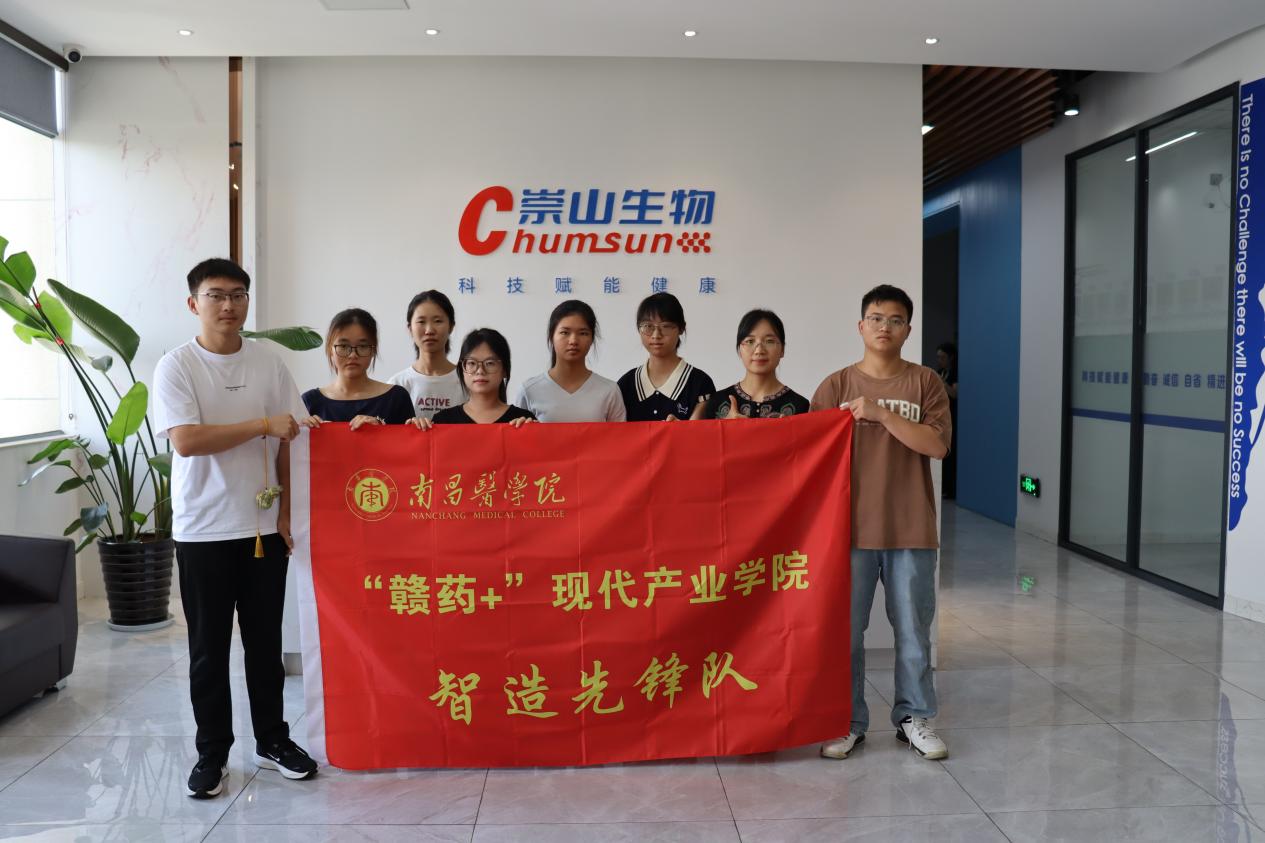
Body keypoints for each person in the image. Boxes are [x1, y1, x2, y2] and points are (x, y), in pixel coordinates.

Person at [152, 258, 318, 799]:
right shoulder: (177, 366)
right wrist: (261, 425)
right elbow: (186, 441)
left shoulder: (269, 362)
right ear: (193, 303)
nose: (229, 305)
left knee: (265, 645)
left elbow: (290, 438)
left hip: (262, 528)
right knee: (208, 649)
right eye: (216, 295)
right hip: (203, 529)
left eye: (238, 295)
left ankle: (273, 740)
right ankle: (212, 753)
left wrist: (287, 513)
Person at [811, 284, 951, 762]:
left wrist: (880, 414)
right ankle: (847, 721)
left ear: (908, 329)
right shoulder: (835, 387)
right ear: (860, 326)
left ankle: (914, 718)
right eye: (875, 318)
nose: (884, 327)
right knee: (845, 635)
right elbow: (806, 456)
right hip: (847, 532)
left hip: (910, 527)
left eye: (895, 320)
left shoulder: (925, 383)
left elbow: (937, 446)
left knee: (913, 631)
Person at [302, 308, 415, 428]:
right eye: (343, 346)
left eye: (362, 346)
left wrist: (381, 429)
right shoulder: (310, 402)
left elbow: (410, 439)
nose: (352, 355)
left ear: (373, 350)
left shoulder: (396, 398)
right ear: (330, 350)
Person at [515, 299, 625, 423]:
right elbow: (517, 433)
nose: (573, 341)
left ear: (592, 339)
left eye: (583, 333)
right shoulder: (529, 390)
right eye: (565, 332)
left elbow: (620, 435)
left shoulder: (609, 390)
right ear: (551, 336)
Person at [692, 309, 809, 419]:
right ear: (739, 350)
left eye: (769, 341)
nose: (759, 350)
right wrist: (724, 426)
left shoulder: (800, 406)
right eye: (750, 341)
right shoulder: (717, 402)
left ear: (782, 349)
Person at [617, 292, 715, 420]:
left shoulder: (700, 383)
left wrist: (682, 429)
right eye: (648, 326)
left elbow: (702, 431)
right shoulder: (625, 385)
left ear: (681, 328)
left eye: (666, 326)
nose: (656, 335)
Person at [412, 328, 537, 427]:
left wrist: (533, 432)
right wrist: (416, 430)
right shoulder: (443, 421)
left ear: (504, 370)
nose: (480, 371)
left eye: (490, 363)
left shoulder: (522, 420)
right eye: (472, 363)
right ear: (462, 369)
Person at [388, 290, 465, 420]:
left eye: (438, 321)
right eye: (421, 322)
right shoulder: (397, 385)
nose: (429, 330)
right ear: (410, 328)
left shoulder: (467, 381)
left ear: (451, 326)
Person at [935, 341, 959, 500]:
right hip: (941, 417)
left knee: (951, 454)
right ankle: (943, 487)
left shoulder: (955, 373)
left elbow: (954, 394)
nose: (939, 361)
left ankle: (951, 489)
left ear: (951, 357)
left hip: (954, 417)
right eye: (938, 357)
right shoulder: (940, 372)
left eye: (942, 357)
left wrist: (941, 382)